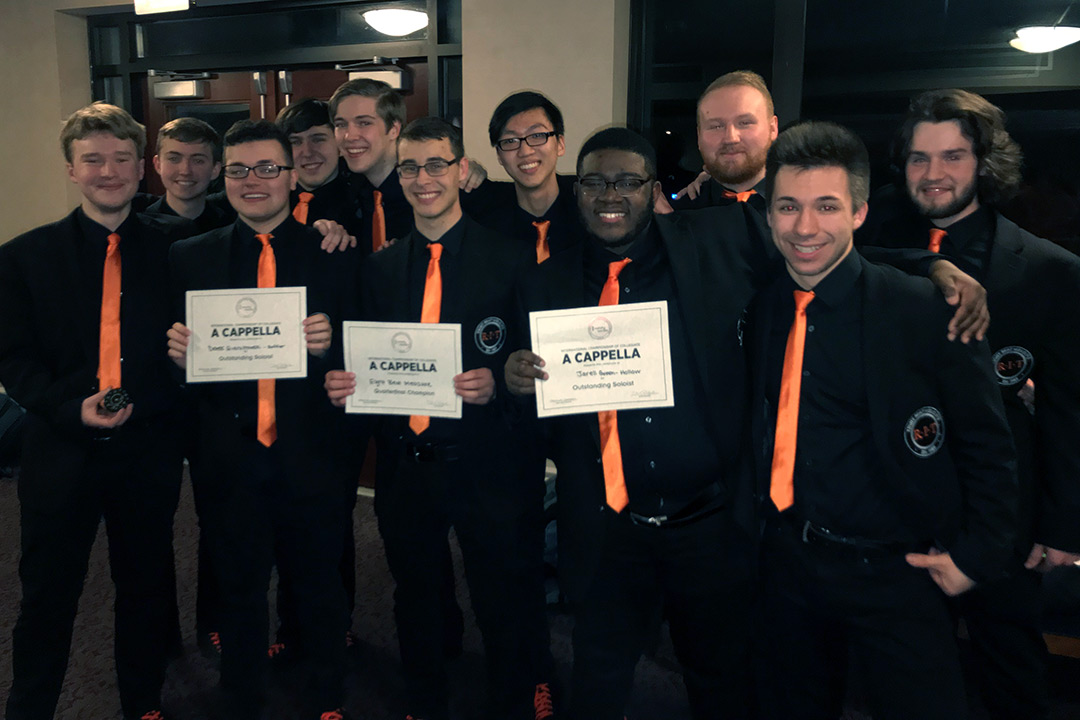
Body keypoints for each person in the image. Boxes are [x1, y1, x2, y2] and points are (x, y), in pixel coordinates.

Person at [504, 126, 990, 720]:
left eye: (629, 181)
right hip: (607, 532)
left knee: (722, 681)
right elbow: (530, 397)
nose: (612, 194)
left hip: (709, 527)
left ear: (653, 190)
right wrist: (513, 380)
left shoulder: (719, 239)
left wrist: (932, 267)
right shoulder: (539, 284)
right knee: (598, 680)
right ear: (577, 191)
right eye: (596, 182)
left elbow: (814, 247)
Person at [750, 119, 1018, 720]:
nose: (805, 227)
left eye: (827, 206)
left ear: (860, 212)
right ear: (769, 214)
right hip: (791, 564)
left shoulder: (922, 307)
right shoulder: (765, 306)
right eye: (788, 207)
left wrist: (978, 555)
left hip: (898, 572)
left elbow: (987, 443)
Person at [860, 88, 1080, 720]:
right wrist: (927, 268)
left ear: (984, 163)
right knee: (905, 677)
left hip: (1001, 510)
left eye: (952, 157)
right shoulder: (872, 242)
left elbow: (1067, 411)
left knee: (1011, 670)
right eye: (920, 159)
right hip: (896, 507)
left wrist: (1061, 528)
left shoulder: (1049, 271)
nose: (934, 175)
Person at [324, 117, 549, 720]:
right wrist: (346, 384)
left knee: (500, 595)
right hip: (407, 466)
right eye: (410, 168)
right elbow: (366, 361)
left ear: (460, 169)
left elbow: (536, 361)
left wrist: (501, 383)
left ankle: (512, 700)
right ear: (397, 177)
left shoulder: (512, 259)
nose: (423, 179)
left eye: (435, 165)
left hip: (487, 462)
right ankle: (424, 700)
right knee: (415, 594)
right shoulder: (380, 267)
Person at [0, 102, 187, 720]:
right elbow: (15, 358)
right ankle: (30, 708)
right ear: (71, 170)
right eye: (93, 159)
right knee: (47, 595)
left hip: (146, 450)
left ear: (142, 169)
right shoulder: (23, 257)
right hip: (60, 450)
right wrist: (67, 408)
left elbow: (191, 353)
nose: (109, 171)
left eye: (122, 159)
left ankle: (144, 704)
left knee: (145, 587)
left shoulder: (180, 254)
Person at [166, 119, 357, 720]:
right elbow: (173, 367)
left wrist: (333, 347)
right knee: (239, 587)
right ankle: (240, 696)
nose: (255, 182)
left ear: (292, 174)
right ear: (224, 178)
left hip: (314, 452)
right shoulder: (188, 259)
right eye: (240, 170)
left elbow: (368, 353)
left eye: (268, 168)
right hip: (229, 456)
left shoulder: (337, 255)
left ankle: (326, 695)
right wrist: (176, 356)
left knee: (320, 586)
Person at [471, 90, 582, 260]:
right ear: (499, 155)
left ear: (560, 144)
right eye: (510, 141)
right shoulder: (484, 216)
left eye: (537, 136)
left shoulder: (587, 205)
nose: (525, 151)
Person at [669, 70, 777, 224]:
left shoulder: (809, 210)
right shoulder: (677, 218)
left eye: (745, 123)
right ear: (699, 136)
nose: (731, 138)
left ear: (773, 129)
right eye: (716, 126)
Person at [276, 98, 364, 240]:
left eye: (318, 139)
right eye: (295, 142)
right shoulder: (270, 200)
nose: (307, 152)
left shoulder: (366, 204)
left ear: (340, 145)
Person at [146, 117, 234, 233]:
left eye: (198, 161)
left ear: (215, 169)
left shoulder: (231, 225)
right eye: (174, 159)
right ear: (158, 165)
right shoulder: (139, 228)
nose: (185, 171)